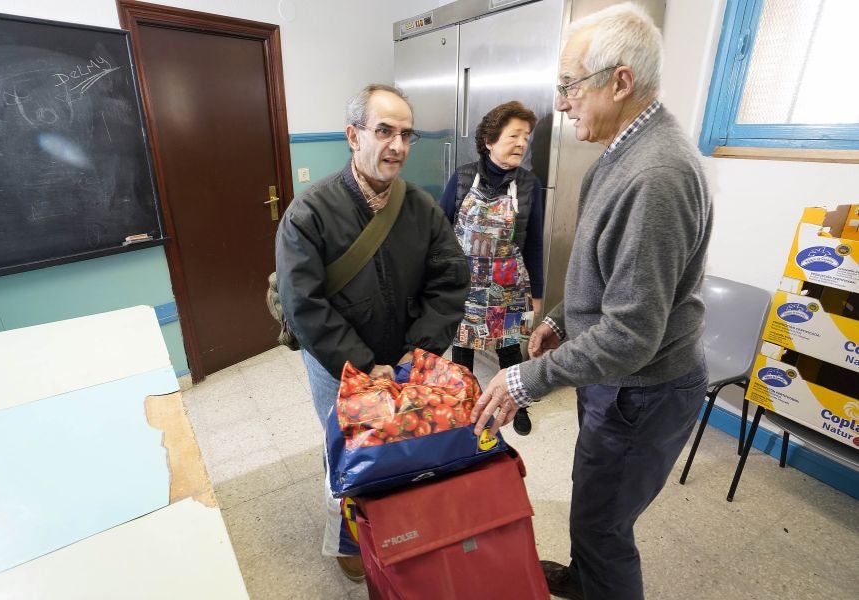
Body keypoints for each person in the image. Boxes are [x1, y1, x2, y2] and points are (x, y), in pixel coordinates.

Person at [470, 4, 713, 600]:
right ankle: (585, 582)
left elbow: (632, 334)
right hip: (616, 380)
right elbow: (605, 271)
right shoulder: (621, 150)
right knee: (592, 502)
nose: (562, 104)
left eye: (570, 86)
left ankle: (596, 575)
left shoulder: (656, 173)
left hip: (644, 387)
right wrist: (560, 317)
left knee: (603, 527)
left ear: (621, 81)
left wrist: (529, 380)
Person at [275, 84, 470, 583]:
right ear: (352, 135)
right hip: (339, 362)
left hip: (406, 357)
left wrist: (415, 354)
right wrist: (365, 365)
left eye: (407, 134)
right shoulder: (308, 214)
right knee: (348, 448)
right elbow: (305, 305)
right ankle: (349, 538)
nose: (398, 146)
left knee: (406, 443)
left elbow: (449, 280)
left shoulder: (422, 208)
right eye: (384, 131)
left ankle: (402, 529)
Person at [439, 101, 544, 436]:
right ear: (489, 140)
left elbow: (535, 245)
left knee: (510, 347)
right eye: (514, 135)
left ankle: (517, 405)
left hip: (507, 287)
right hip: (465, 285)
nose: (521, 143)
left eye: (525, 137)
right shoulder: (463, 178)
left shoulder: (529, 186)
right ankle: (462, 404)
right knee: (463, 348)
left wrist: (538, 294)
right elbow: (440, 233)